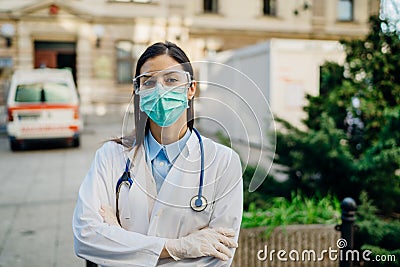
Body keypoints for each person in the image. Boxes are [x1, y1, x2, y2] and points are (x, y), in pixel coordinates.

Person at [72, 41, 243, 266]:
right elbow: (86, 238)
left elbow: (218, 256)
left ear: (190, 89)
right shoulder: (111, 156)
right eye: (149, 81)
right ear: (138, 91)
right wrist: (178, 248)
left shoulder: (224, 162)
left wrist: (118, 240)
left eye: (171, 79)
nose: (160, 88)